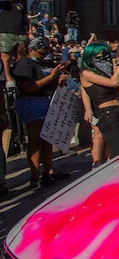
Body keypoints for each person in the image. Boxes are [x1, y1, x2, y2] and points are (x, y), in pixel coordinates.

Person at [13, 36, 70, 187]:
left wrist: (60, 77)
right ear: (31, 50)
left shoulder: (44, 62)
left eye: (45, 53)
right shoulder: (24, 64)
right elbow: (29, 87)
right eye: (41, 53)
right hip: (32, 102)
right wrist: (51, 77)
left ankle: (48, 172)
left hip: (47, 101)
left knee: (47, 139)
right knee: (35, 141)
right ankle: (35, 175)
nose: (43, 56)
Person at [80, 42, 119, 166]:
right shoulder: (86, 73)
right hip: (109, 114)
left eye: (106, 54)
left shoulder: (105, 71)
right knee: (117, 152)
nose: (105, 57)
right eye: (101, 55)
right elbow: (113, 83)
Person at [0, 0, 29, 91]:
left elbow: (26, 18)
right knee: (6, 57)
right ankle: (8, 78)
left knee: (21, 56)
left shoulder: (20, 5)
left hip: (20, 33)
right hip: (5, 32)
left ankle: (19, 76)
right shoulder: (2, 4)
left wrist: (29, 30)